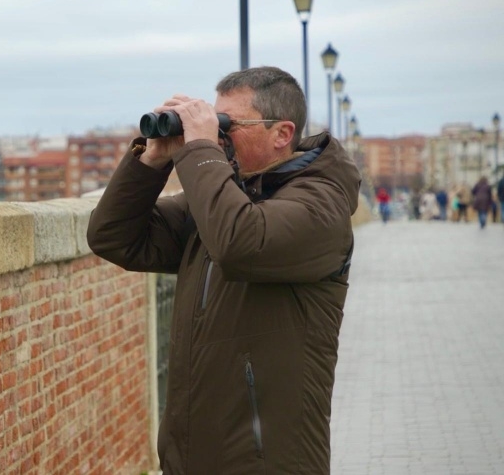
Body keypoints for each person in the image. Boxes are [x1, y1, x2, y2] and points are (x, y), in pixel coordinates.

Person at [87, 66, 361, 474]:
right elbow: (114, 237)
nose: (217, 133)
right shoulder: (224, 198)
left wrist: (199, 149)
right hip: (193, 456)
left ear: (282, 134)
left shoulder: (320, 207)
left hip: (268, 461)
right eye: (214, 121)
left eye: (227, 124)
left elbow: (239, 243)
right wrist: (152, 160)